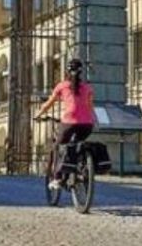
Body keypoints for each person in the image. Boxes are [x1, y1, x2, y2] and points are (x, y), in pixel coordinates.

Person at [34, 58, 95, 190]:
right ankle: (79, 167)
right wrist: (94, 121)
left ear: (67, 71)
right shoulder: (88, 88)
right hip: (87, 124)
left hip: (69, 122)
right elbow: (90, 108)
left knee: (58, 147)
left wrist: (38, 114)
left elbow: (48, 104)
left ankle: (57, 178)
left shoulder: (62, 86)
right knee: (76, 145)